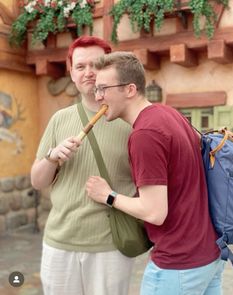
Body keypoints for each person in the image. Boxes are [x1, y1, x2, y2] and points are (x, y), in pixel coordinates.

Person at [86, 51, 225, 295]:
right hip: (210, 257)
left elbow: (154, 212)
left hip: (178, 265)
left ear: (130, 89)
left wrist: (108, 195)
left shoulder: (144, 135)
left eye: (103, 89)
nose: (98, 97)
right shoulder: (169, 114)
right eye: (96, 90)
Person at [31, 37, 136, 295]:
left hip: (110, 247)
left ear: (111, 70)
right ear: (71, 72)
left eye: (96, 65)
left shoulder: (131, 122)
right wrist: (52, 157)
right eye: (80, 66)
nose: (88, 72)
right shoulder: (59, 119)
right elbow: (37, 181)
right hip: (59, 244)